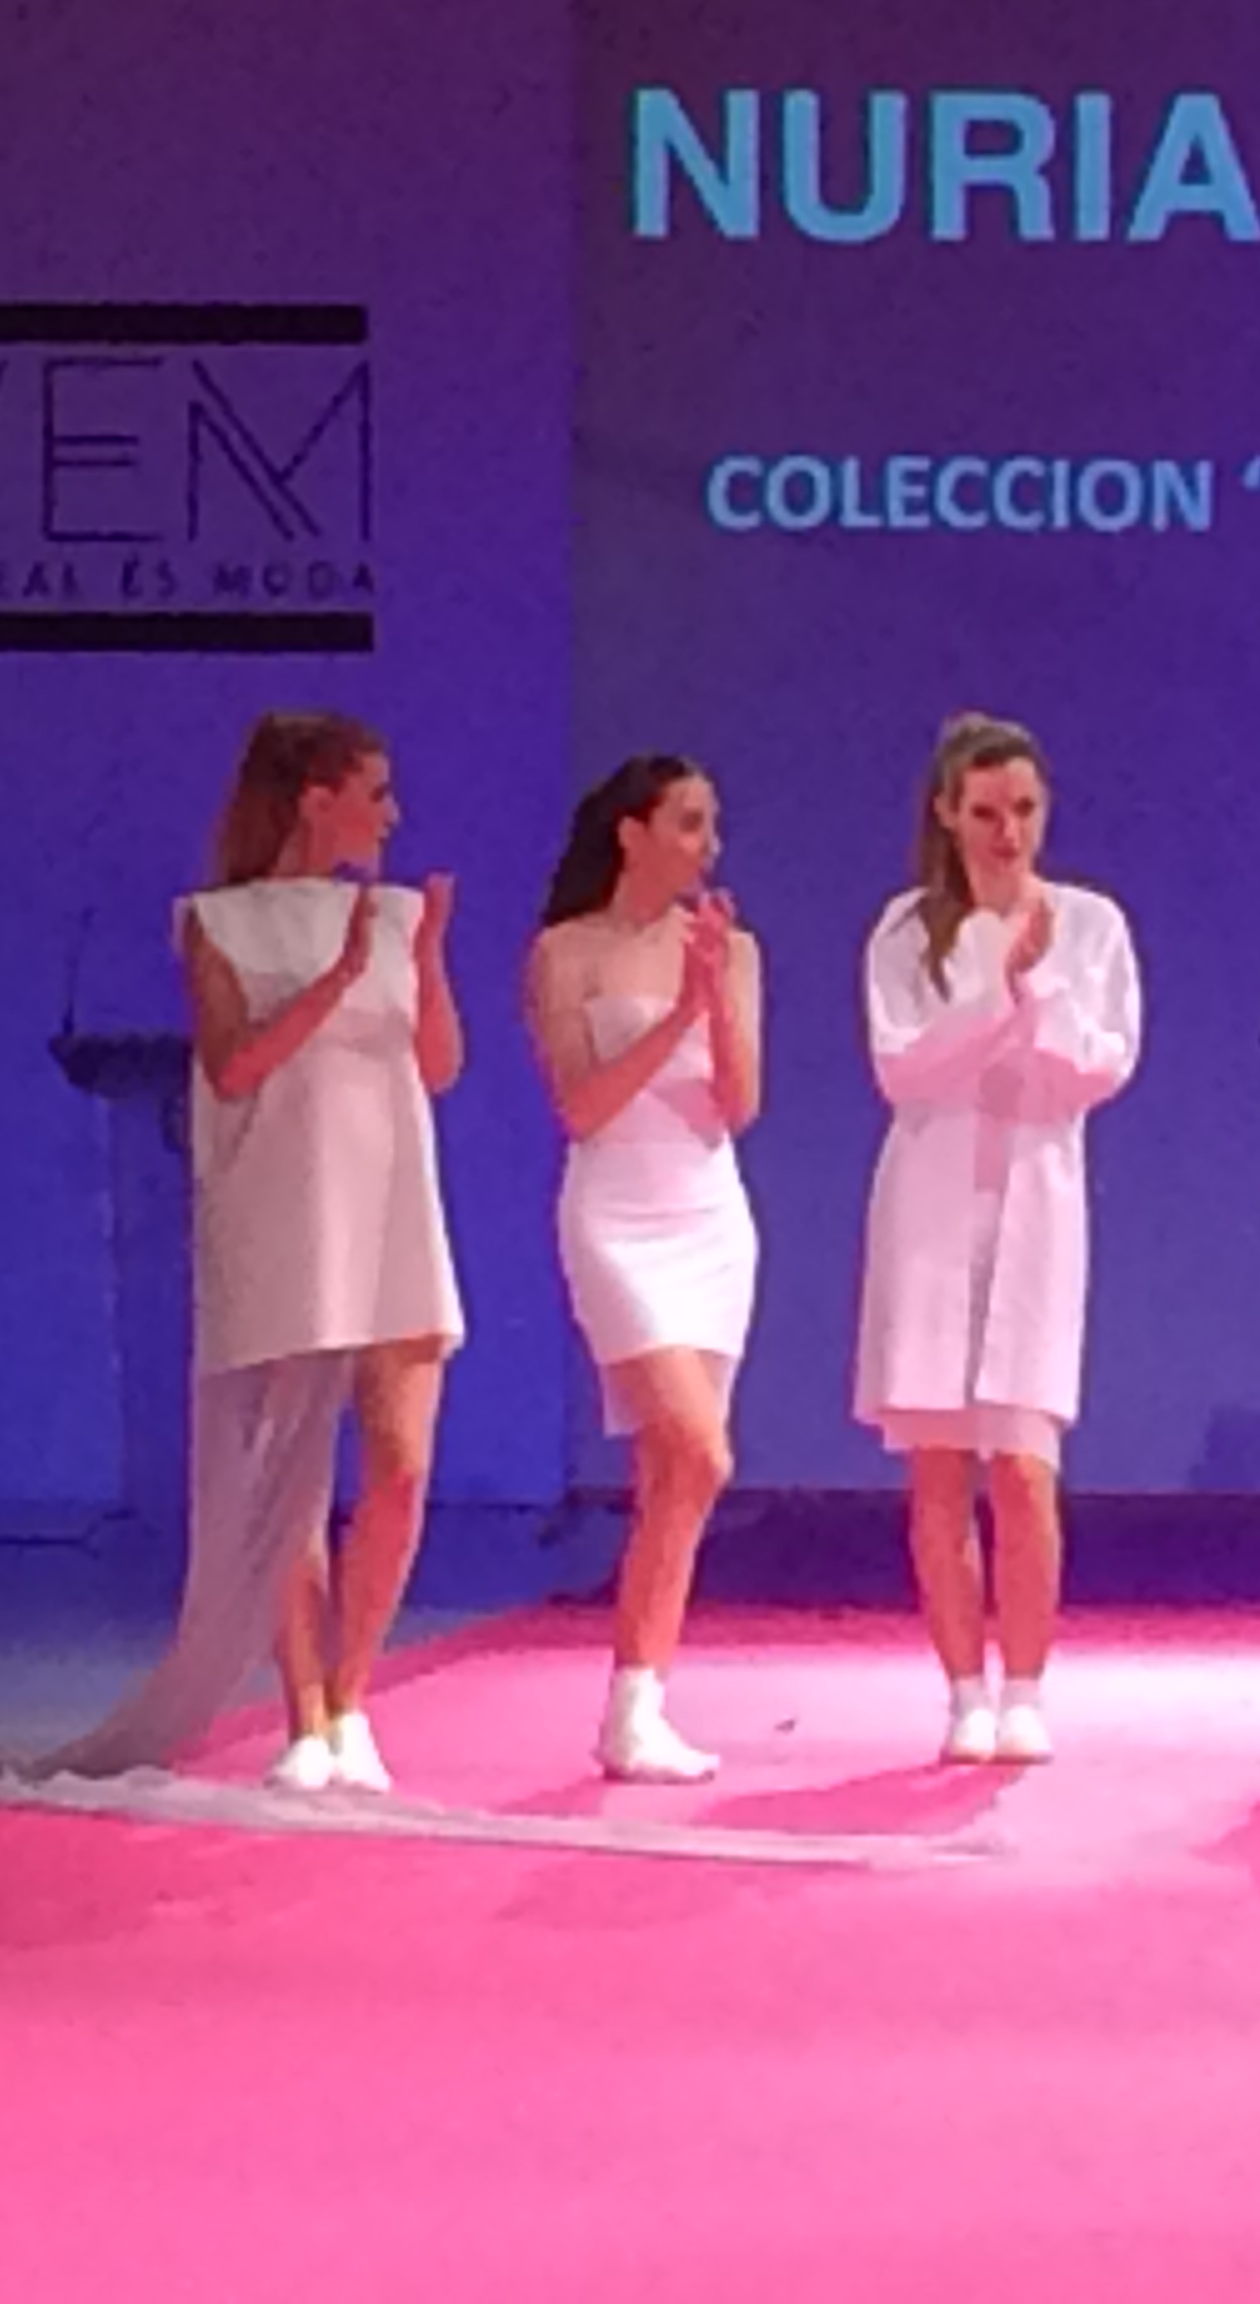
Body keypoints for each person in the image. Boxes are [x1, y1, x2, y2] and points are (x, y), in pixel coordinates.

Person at [49, 710, 463, 1789]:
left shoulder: (395, 913)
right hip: (284, 1210)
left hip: (390, 1202)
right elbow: (233, 1069)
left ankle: (355, 1696)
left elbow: (439, 1065)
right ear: (314, 798)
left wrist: (421, 956)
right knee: (289, 1475)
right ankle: (306, 1716)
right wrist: (335, 979)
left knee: (402, 1464)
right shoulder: (219, 923)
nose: (391, 814)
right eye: (374, 792)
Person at [855, 715, 1142, 1766]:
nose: (1006, 832)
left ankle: (1024, 1687)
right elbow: (904, 1069)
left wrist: (1035, 991)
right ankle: (963, 1692)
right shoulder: (905, 932)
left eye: (1022, 810)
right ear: (947, 814)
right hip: (930, 1215)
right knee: (938, 1467)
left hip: (1037, 1209)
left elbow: (1100, 1066)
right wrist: (993, 996)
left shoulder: (1091, 926)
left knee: (1023, 1464)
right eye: (984, 812)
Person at [526, 755, 762, 1784]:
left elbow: (738, 1103)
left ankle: (635, 1708)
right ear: (632, 832)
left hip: (710, 1216)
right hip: (616, 1218)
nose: (708, 845)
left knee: (674, 1476)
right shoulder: (565, 952)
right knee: (701, 1452)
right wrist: (675, 1014)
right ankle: (633, 1708)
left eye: (712, 825)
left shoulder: (730, 948)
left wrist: (714, 996)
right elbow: (582, 1107)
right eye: (689, 823)